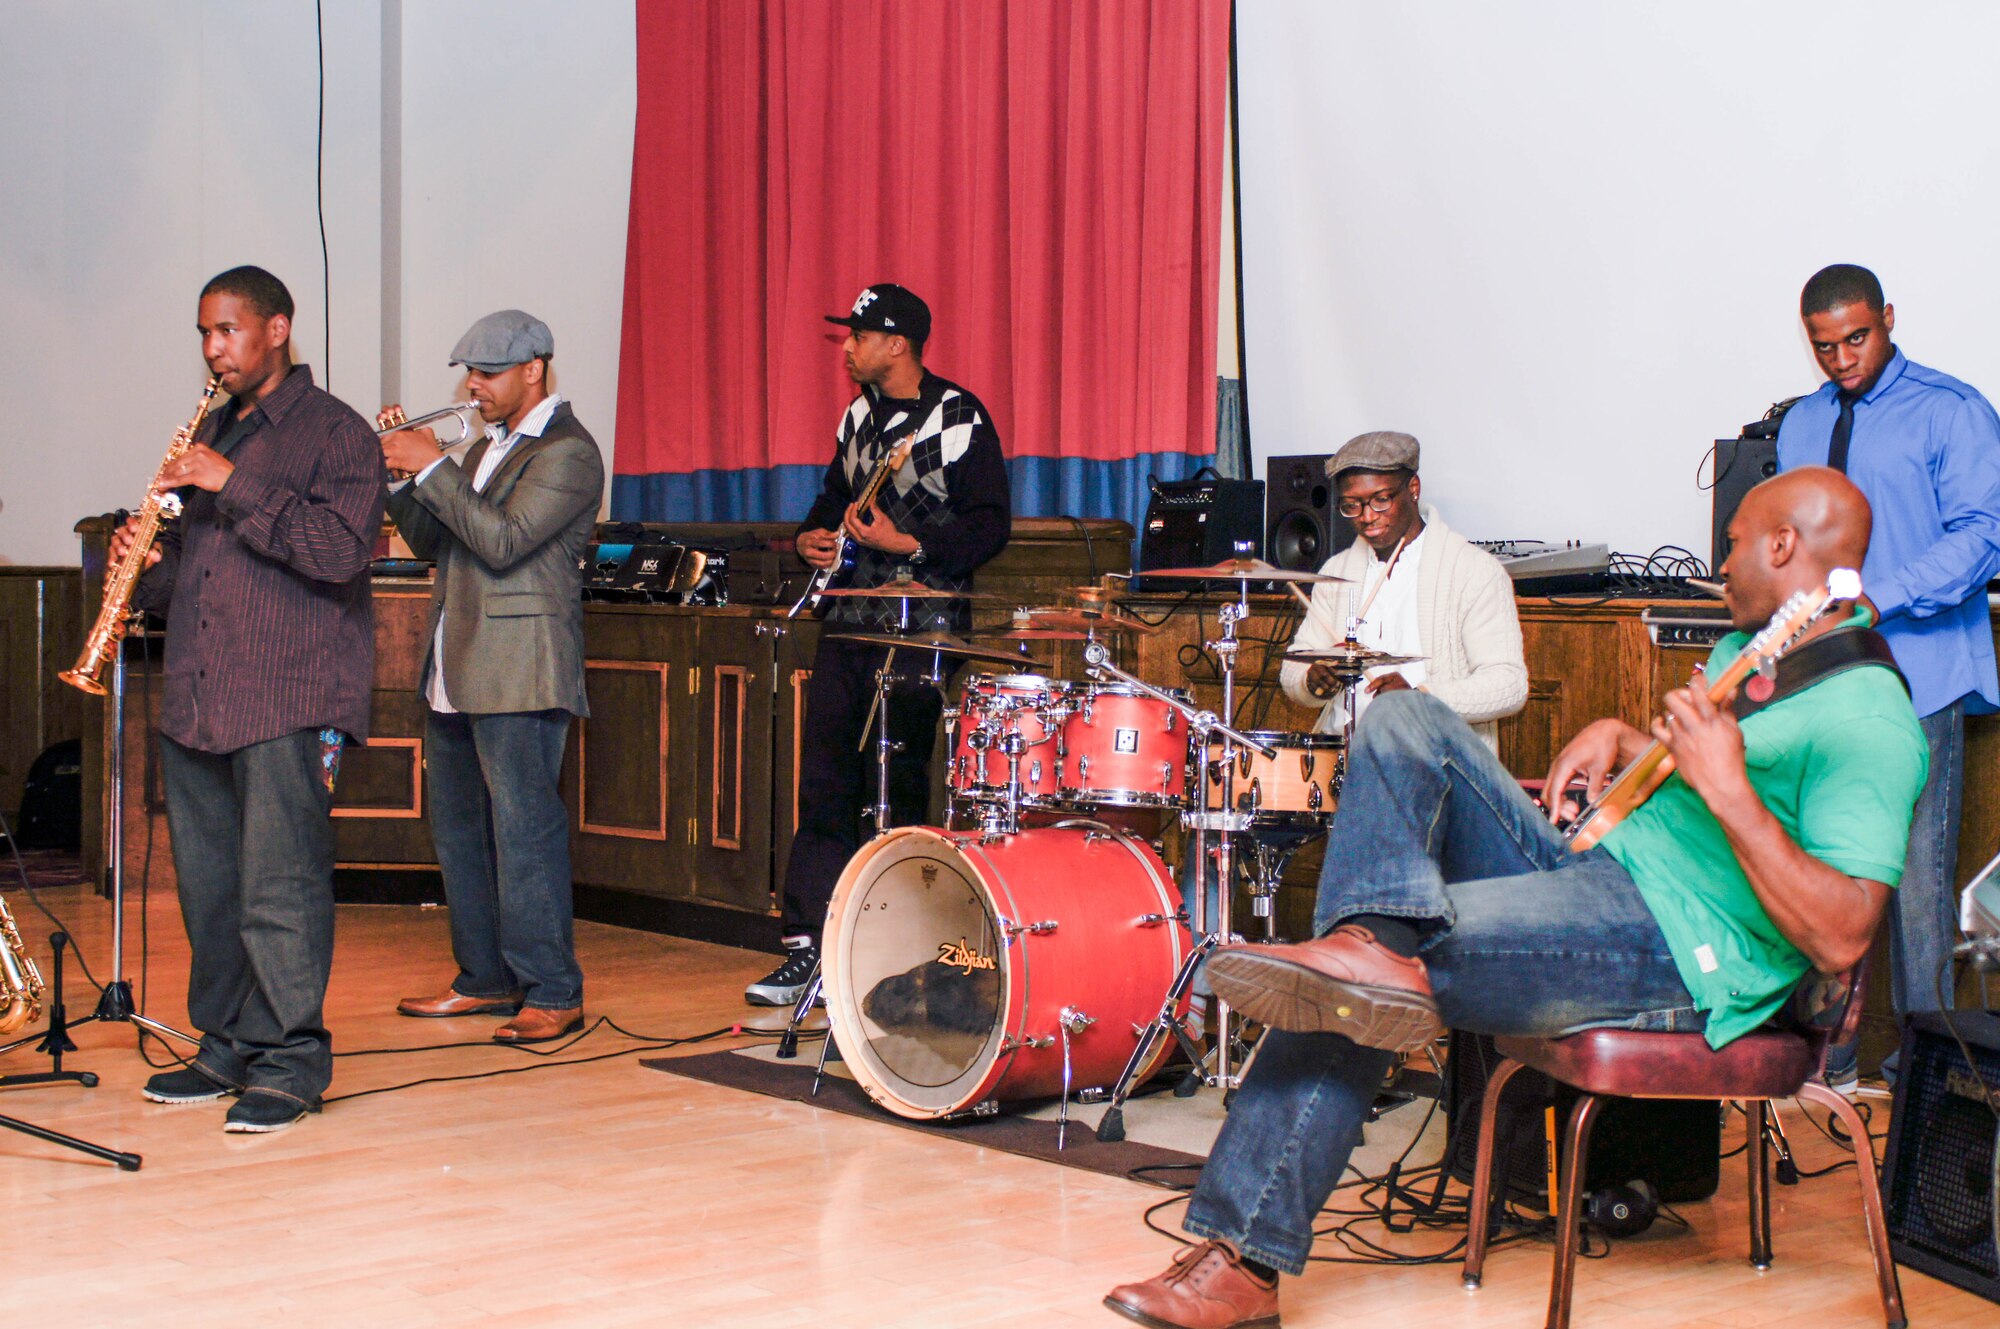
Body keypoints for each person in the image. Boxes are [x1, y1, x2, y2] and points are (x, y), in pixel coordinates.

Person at [1101, 468, 1924, 1328]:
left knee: (1367, 972)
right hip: (1595, 874)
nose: (1720, 564)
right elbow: (1698, 784)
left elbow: (1843, 931)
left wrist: (1731, 792)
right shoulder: (1755, 653)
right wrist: (1627, 738)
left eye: (1734, 543)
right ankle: (1366, 943)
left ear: (1784, 546)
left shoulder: (1869, 717)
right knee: (1402, 719)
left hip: (1679, 947)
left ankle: (1242, 1256)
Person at [119, 266, 385, 1133]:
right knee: (211, 889)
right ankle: (227, 1043)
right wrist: (144, 568)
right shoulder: (216, 432)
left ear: (277, 328)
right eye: (204, 332)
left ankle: (292, 1060)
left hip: (288, 694)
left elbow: (339, 552)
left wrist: (229, 482)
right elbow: (199, 578)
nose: (212, 349)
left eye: (227, 329)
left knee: (281, 884)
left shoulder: (337, 433)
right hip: (201, 694)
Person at [744, 284, 1010, 1006]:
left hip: (921, 630)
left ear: (898, 344)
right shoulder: (858, 415)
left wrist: (911, 544)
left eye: (859, 335)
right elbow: (835, 497)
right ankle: (808, 947)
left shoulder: (959, 417)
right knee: (825, 779)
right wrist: (811, 535)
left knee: (896, 781)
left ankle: (900, 947)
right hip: (848, 619)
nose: (848, 347)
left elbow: (991, 524)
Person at [1774, 264, 2000, 1082]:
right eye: (1824, 346)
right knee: (1821, 866)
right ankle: (1825, 1061)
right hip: (1823, 682)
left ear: (1889, 318)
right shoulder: (1801, 424)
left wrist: (1882, 596)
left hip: (1918, 677)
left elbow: (1983, 536)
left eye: (1857, 338)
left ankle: (1924, 1081)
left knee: (1916, 883)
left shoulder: (1951, 409)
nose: (1842, 359)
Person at [380, 310, 603, 1045]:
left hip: (519, 669)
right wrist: (404, 478)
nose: (473, 385)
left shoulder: (568, 452)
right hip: (457, 664)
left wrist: (433, 467)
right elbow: (432, 542)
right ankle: (484, 977)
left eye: (487, 372)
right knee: (461, 832)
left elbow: (503, 543)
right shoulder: (485, 447)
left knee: (524, 832)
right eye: (469, 373)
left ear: (533, 370)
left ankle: (553, 989)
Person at [1278, 431, 1527, 746]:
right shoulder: (1337, 571)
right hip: (1345, 755)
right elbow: (1293, 668)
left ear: (1413, 489)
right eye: (1352, 505)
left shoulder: (1473, 570)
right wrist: (1311, 680)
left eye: (1381, 500)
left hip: (1435, 758)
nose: (1367, 516)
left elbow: (1509, 685)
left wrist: (1420, 698)